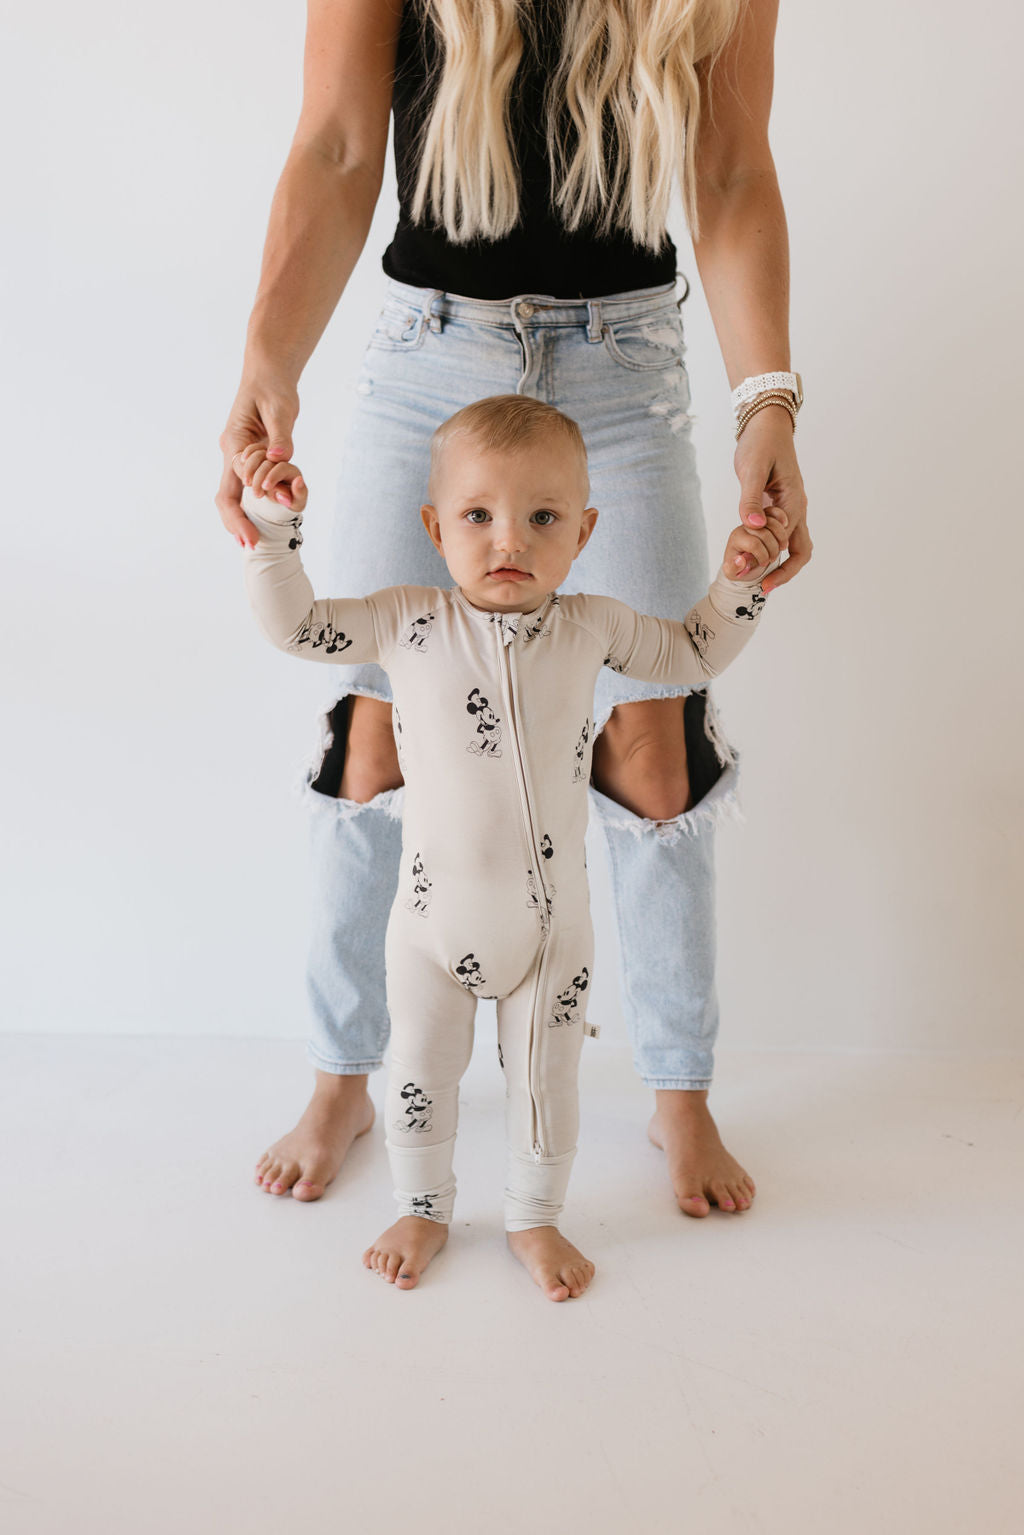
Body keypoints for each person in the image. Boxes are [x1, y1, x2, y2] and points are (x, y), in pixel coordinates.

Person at [216, 0, 811, 1218]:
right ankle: (345, 1077)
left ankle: (678, 1092)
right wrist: (266, 363)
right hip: (430, 348)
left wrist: (768, 403)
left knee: (658, 739)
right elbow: (336, 145)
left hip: (625, 362)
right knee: (373, 726)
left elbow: (732, 162)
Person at [236, 394, 786, 1297]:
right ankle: (423, 1205)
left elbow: (692, 652)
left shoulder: (594, 627)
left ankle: (535, 1218)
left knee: (546, 1085)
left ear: (585, 530)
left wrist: (741, 582)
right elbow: (295, 626)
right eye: (479, 516)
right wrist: (273, 528)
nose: (510, 543)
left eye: (543, 519)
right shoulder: (403, 621)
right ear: (433, 524)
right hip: (425, 930)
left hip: (549, 938)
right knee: (420, 1075)